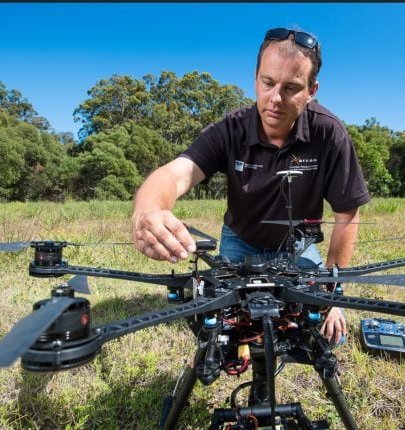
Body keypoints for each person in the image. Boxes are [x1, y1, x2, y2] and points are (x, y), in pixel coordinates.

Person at [132, 27, 371, 345]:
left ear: (311, 90)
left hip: (298, 245)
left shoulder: (330, 133)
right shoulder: (229, 129)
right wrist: (147, 209)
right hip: (240, 241)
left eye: (292, 88)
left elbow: (346, 215)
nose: (275, 99)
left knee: (322, 333)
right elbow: (176, 173)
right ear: (256, 77)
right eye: (268, 83)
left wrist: (333, 296)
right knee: (226, 330)